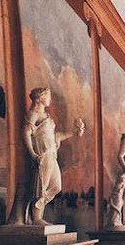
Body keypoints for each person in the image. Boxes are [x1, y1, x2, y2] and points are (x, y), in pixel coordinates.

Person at [22, 86, 84, 225]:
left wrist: (74, 132)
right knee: (42, 186)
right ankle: (37, 218)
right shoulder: (33, 114)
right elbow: (26, 133)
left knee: (56, 186)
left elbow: (56, 136)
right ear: (40, 98)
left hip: (51, 154)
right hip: (43, 155)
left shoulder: (47, 116)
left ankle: (36, 208)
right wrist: (33, 154)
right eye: (48, 96)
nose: (50, 99)